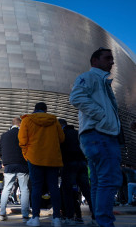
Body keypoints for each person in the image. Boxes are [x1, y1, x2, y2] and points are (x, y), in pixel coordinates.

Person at [70, 48, 123, 227]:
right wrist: (101, 115)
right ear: (95, 61)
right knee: (109, 179)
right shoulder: (91, 77)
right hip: (100, 135)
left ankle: (98, 220)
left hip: (97, 135)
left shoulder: (102, 82)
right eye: (107, 58)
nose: (112, 62)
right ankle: (105, 222)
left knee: (99, 182)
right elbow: (76, 97)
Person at [18, 102, 65, 227]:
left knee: (36, 187)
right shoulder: (54, 120)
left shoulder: (27, 120)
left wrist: (27, 155)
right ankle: (56, 219)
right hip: (52, 159)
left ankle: (35, 218)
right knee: (54, 187)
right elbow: (61, 138)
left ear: (35, 109)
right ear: (45, 110)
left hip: (34, 158)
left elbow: (22, 141)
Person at [58, 119, 95, 225]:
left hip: (68, 164)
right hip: (82, 163)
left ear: (60, 125)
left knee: (68, 191)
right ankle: (95, 216)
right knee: (87, 191)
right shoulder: (78, 133)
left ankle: (70, 217)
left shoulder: (62, 135)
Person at [0, 117, 30, 223]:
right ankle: (25, 214)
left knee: (7, 188)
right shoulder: (24, 133)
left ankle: (2, 213)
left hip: (9, 165)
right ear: (20, 124)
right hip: (22, 164)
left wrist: (5, 159)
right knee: (24, 189)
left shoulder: (4, 135)